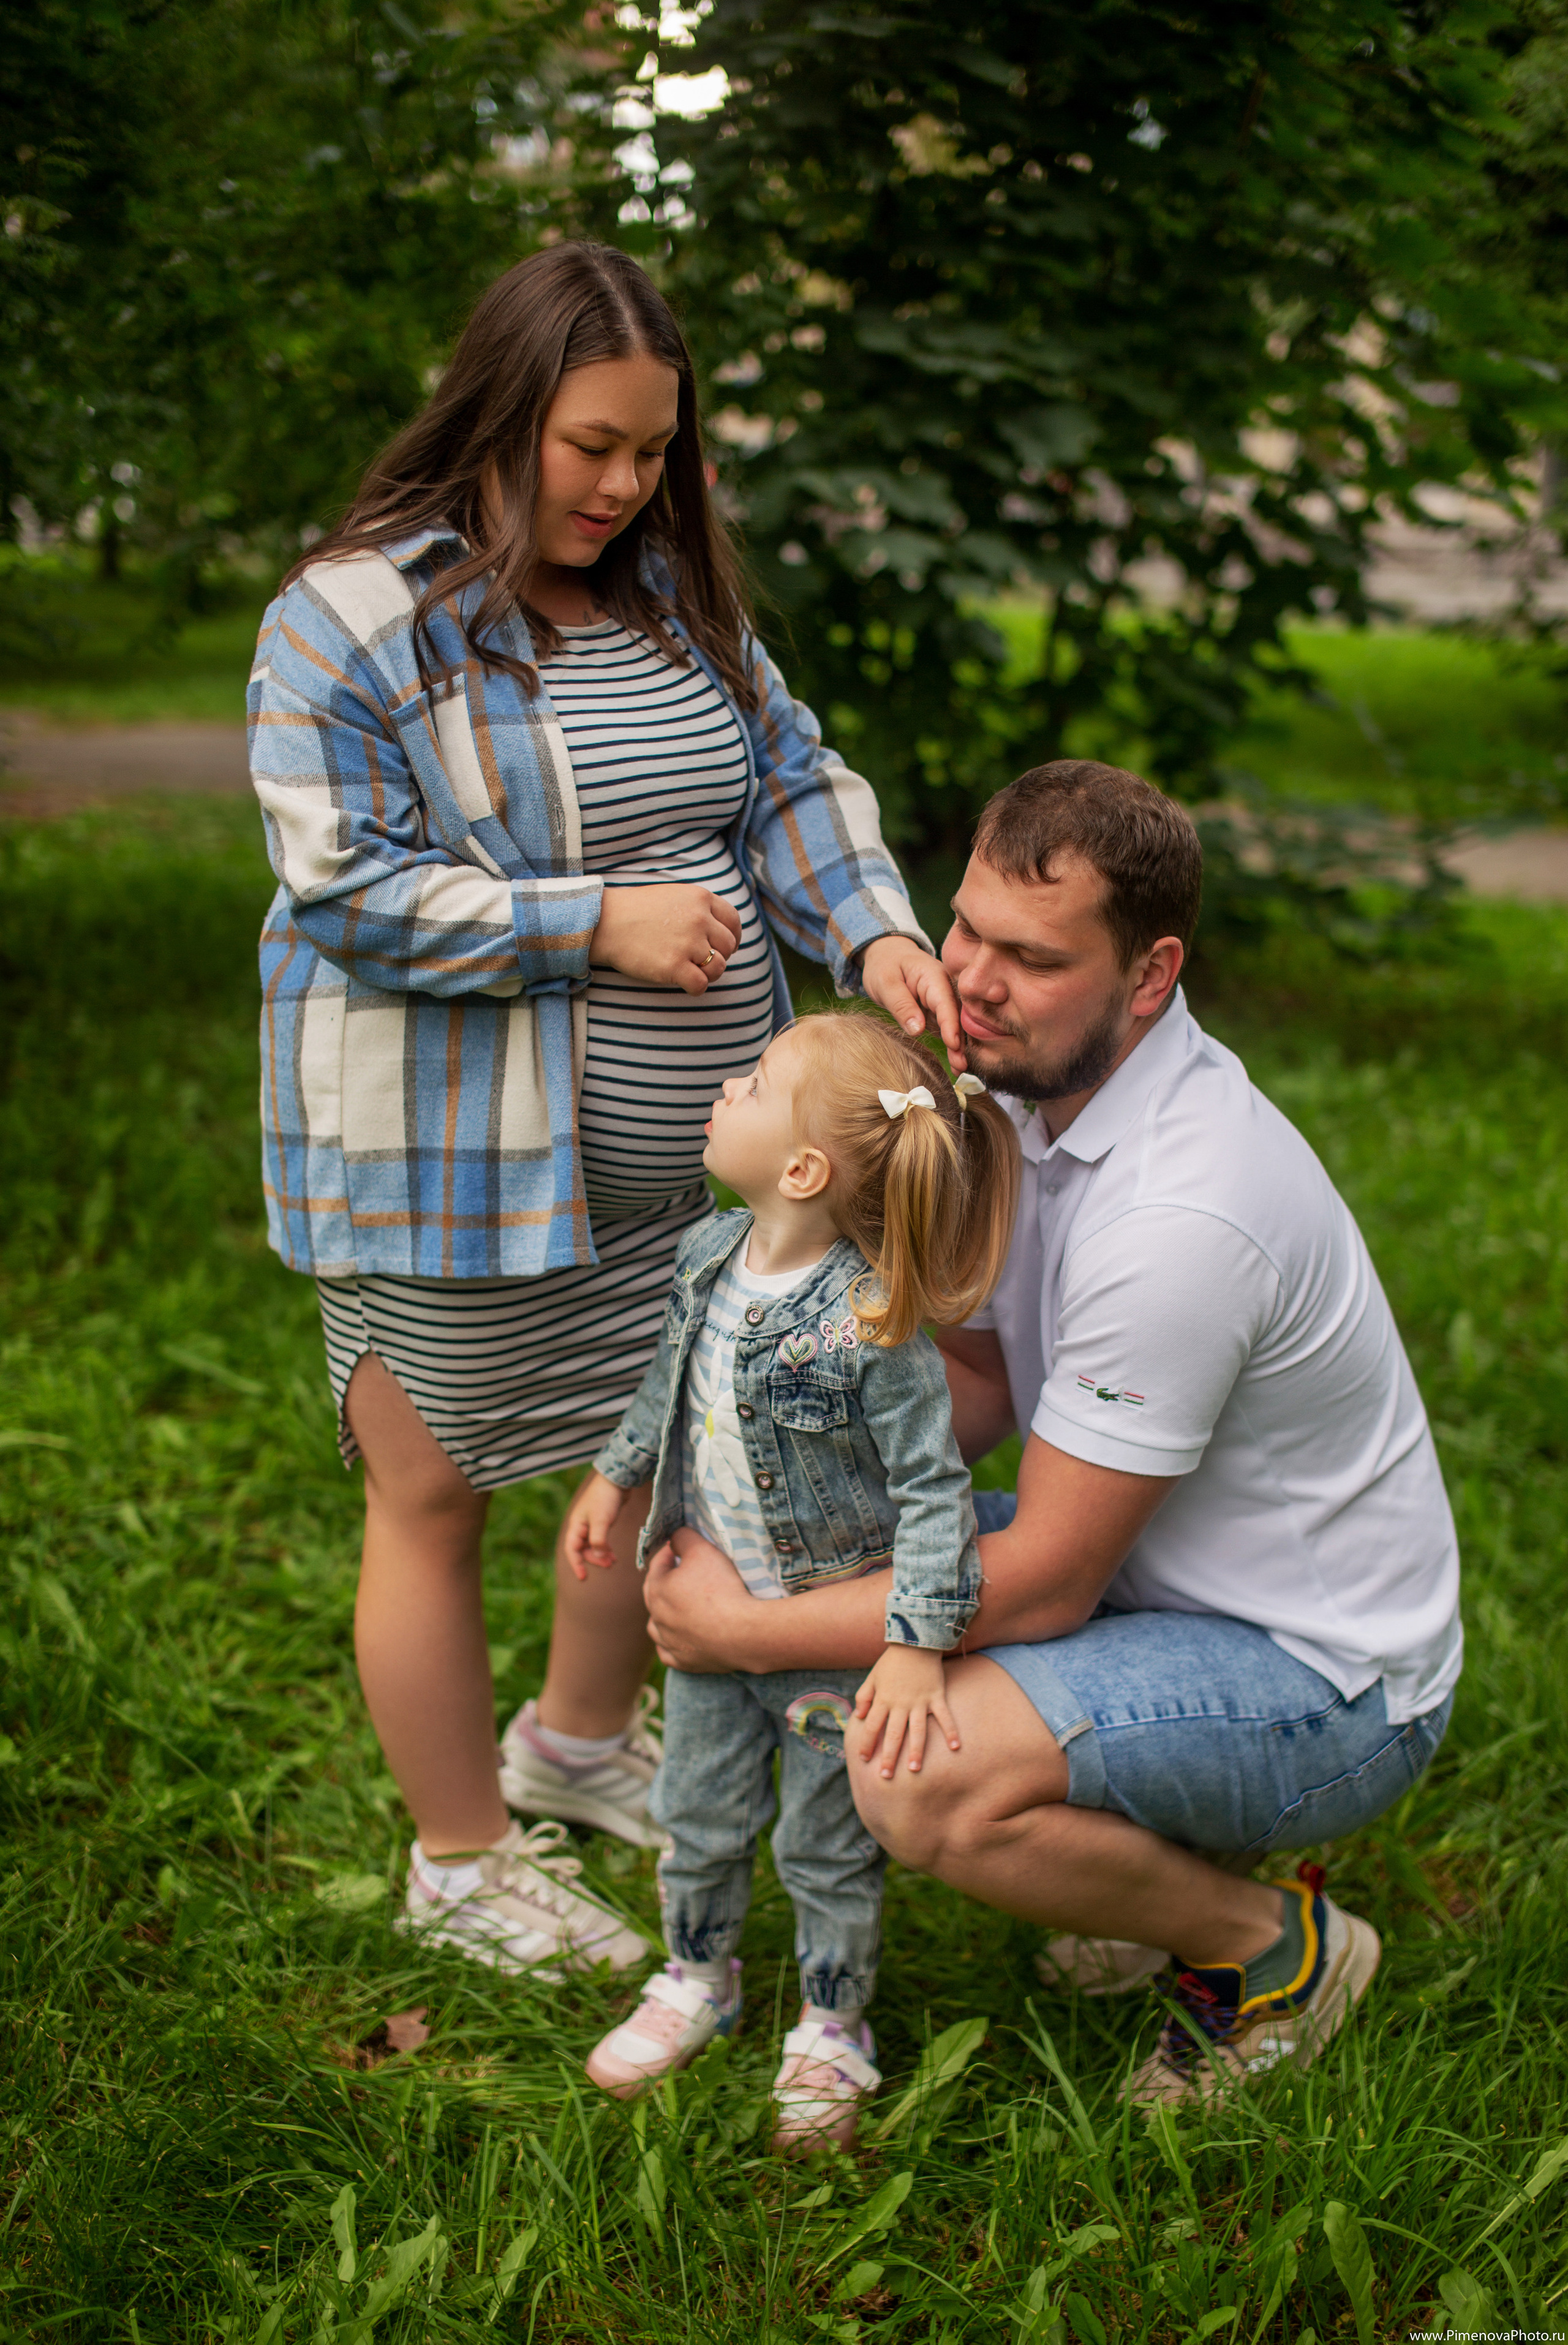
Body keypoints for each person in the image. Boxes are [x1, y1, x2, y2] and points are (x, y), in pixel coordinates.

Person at [245, 241, 962, 1977]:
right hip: (451, 1176)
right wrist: (598, 925)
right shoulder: (351, 621)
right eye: (592, 446)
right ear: (499, 413)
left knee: (653, 1475)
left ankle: (574, 1746)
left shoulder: (671, 598)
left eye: (656, 448)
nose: (628, 484)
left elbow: (787, 780)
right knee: (431, 1497)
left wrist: (872, 931)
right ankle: (461, 1856)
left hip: (686, 1187)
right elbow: (342, 884)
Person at [643, 758, 1463, 2107]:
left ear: (1148, 977)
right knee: (849, 1594)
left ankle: (1273, 1950)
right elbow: (976, 1370)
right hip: (1161, 1590)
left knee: (915, 1774)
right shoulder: (1019, 1094)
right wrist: (779, 1495)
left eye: (1029, 956)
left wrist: (751, 1629)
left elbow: (1047, 1581)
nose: (967, 979)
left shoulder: (1178, 1219)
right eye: (963, 926)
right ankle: (1137, 1845)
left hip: (1324, 1678)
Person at [562, 1011, 1018, 2148]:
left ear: (804, 1168)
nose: (727, 1084)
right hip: (709, 1616)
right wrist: (615, 1481)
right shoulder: (705, 1255)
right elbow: (667, 1384)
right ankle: (697, 1976)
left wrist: (913, 1643)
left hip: (825, 1642)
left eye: (755, 1080)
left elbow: (933, 1493)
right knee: (697, 1813)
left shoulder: (874, 1326)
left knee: (827, 1840)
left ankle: (831, 2021)